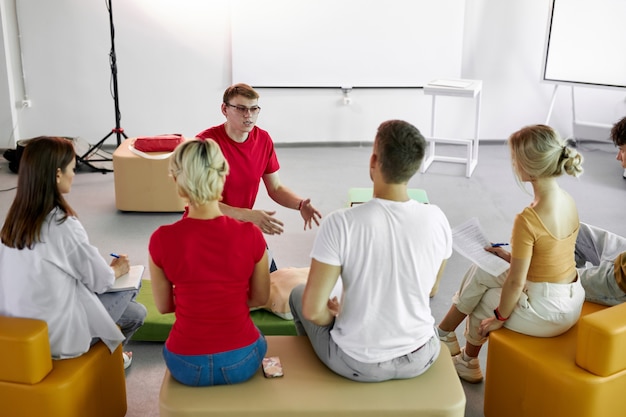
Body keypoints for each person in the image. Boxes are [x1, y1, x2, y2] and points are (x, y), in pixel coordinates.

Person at [288, 120, 452, 382]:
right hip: (422, 355)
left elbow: (312, 311)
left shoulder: (340, 222)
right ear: (414, 166)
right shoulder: (437, 217)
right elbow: (432, 289)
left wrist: (331, 315)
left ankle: (310, 380)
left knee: (298, 294)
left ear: (373, 161)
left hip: (357, 364)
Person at [436, 124, 585, 383]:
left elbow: (516, 283)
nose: (513, 164)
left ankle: (468, 362)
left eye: (514, 159)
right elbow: (549, 256)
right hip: (569, 298)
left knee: (488, 299)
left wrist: (499, 318)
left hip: (547, 311)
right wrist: (507, 256)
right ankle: (445, 332)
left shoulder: (529, 218)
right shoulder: (567, 199)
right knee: (484, 268)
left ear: (527, 166)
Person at [0, 136, 146, 368]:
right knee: (136, 304)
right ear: (57, 175)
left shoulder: (12, 222)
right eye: (72, 168)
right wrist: (117, 270)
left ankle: (116, 357)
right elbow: (101, 281)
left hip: (18, 330)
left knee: (132, 309)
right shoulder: (62, 225)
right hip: (57, 337)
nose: (74, 174)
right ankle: (110, 364)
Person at [149, 139, 270, 387]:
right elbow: (260, 298)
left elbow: (163, 306)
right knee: (261, 339)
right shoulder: (251, 235)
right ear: (223, 176)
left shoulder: (161, 239)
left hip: (185, 364)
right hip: (242, 359)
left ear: (176, 181)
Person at [196, 83, 322, 270]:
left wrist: (300, 204)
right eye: (241, 109)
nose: (248, 115)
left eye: (254, 109)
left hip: (241, 225)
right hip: (204, 228)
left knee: (271, 281)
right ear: (225, 109)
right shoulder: (204, 144)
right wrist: (248, 215)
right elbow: (199, 203)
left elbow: (276, 188)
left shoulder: (263, 140)